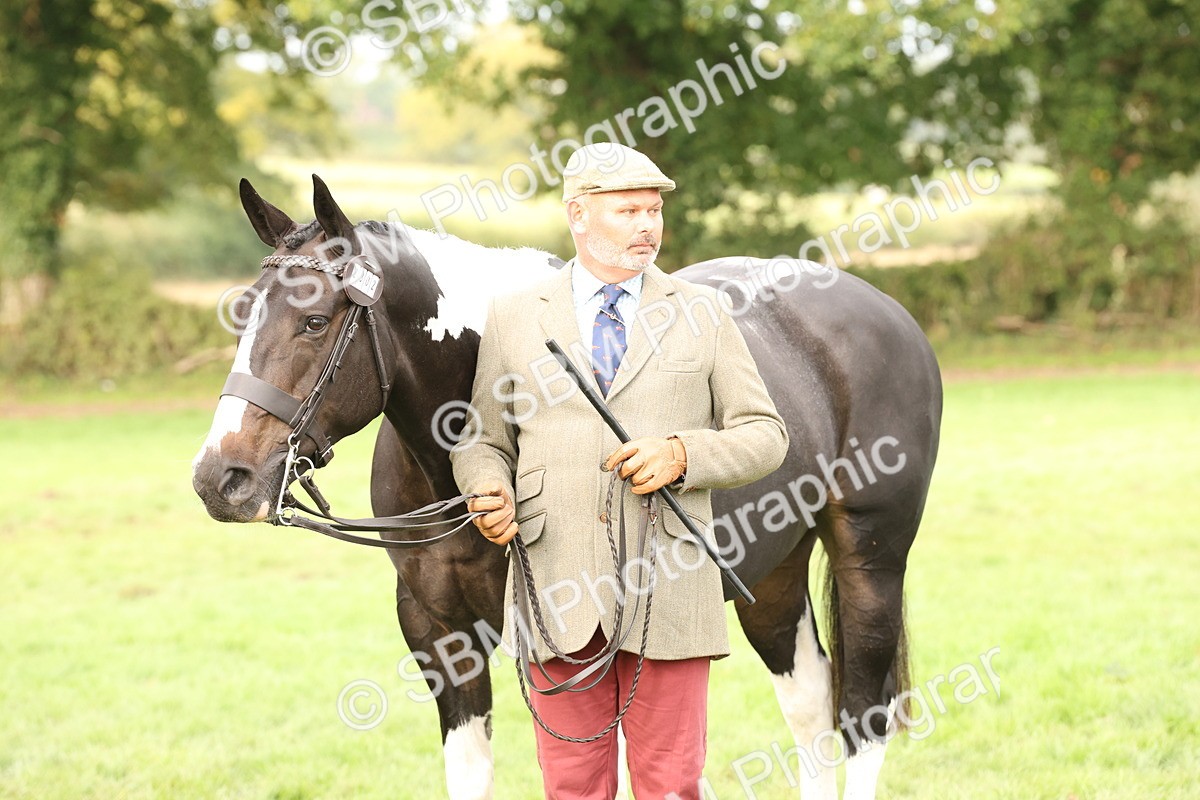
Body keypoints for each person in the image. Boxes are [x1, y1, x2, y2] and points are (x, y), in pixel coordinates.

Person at [450, 142, 788, 799]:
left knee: (671, 785)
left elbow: (766, 437)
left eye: (654, 209)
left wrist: (684, 454)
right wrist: (487, 487)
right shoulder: (515, 315)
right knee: (572, 787)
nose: (647, 225)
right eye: (628, 209)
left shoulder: (702, 310)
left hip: (672, 589)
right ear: (578, 215)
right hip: (555, 588)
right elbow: (481, 439)